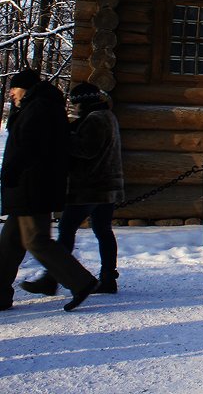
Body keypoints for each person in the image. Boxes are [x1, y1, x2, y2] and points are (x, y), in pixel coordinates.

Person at [0, 69, 100, 312]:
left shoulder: (40, 108)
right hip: (28, 186)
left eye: (14, 88)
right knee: (9, 243)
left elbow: (30, 146)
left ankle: (80, 281)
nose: (11, 92)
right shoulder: (37, 106)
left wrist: (12, 170)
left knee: (36, 240)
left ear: (25, 87)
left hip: (33, 187)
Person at [20, 82, 125, 296]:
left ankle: (53, 277)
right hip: (107, 186)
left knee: (67, 229)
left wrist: (62, 136)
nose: (74, 107)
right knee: (103, 232)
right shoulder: (107, 116)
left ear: (82, 102)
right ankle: (107, 278)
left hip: (90, 187)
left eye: (75, 103)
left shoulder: (95, 119)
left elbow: (86, 150)